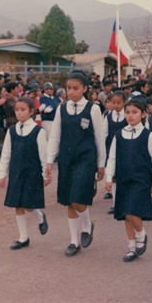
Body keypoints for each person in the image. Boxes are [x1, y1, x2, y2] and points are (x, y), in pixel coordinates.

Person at [46, 71, 106, 257]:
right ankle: (74, 241)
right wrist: (49, 161)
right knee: (69, 201)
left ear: (85, 89)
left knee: (77, 198)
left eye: (75, 88)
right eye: (68, 88)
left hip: (86, 159)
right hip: (66, 159)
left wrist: (101, 163)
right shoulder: (61, 108)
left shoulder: (93, 108)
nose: (71, 92)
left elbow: (99, 137)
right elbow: (55, 136)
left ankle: (87, 225)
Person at [105, 98, 152, 262]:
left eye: (135, 112)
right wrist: (109, 177)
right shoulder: (119, 134)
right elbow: (112, 158)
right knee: (126, 215)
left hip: (141, 179)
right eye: (127, 112)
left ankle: (141, 235)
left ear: (143, 114)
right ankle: (132, 247)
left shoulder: (148, 135)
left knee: (132, 211)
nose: (130, 116)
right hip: (123, 179)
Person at [0, 97, 50, 249]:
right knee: (17, 204)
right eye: (17, 110)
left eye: (23, 110)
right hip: (16, 172)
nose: (19, 113)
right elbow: (6, 153)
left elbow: (43, 155)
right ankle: (23, 237)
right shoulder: (12, 130)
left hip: (32, 172)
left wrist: (45, 175)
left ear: (32, 111)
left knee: (27, 202)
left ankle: (39, 216)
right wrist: (2, 174)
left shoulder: (38, 131)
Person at [102, 91, 127, 213]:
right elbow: (104, 134)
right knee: (113, 176)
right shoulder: (108, 116)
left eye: (119, 103)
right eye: (113, 102)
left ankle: (126, 201)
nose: (116, 105)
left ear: (124, 102)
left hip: (126, 149)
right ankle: (115, 203)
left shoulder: (128, 115)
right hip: (111, 149)